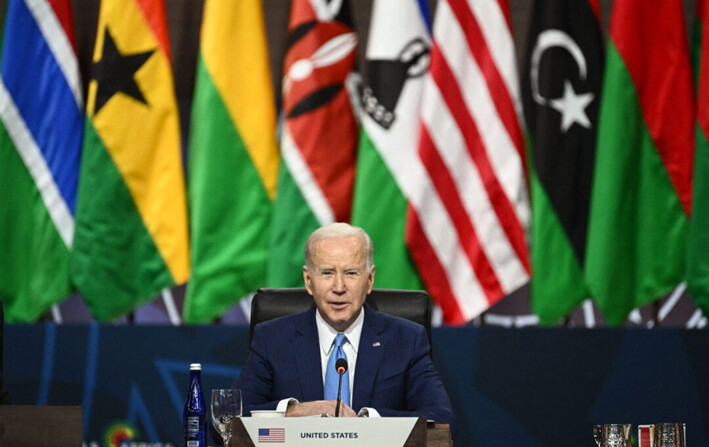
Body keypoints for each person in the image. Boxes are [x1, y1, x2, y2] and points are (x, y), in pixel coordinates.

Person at [234, 222, 456, 434]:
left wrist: (365, 422)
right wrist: (297, 411)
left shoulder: (406, 340)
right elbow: (231, 421)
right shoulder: (272, 339)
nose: (339, 287)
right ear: (308, 280)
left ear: (369, 280)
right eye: (327, 273)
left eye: (351, 273)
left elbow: (442, 420)